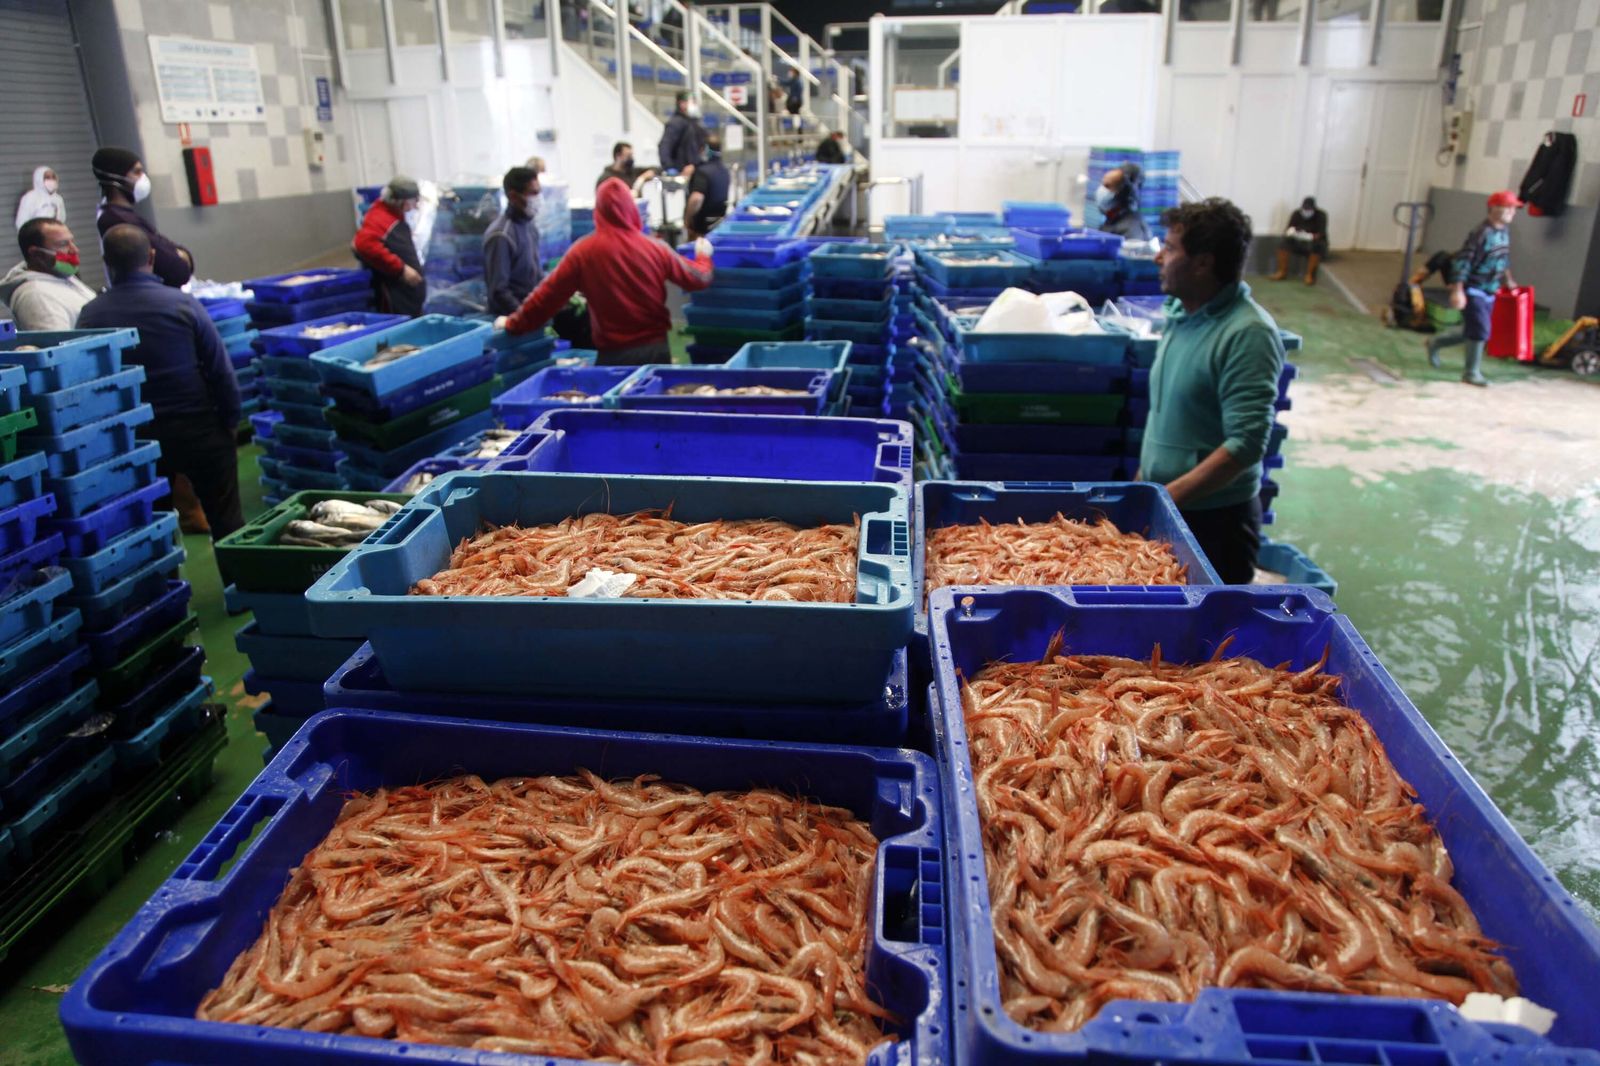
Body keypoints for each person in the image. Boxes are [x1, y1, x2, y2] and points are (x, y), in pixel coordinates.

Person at [1139, 198, 1286, 584]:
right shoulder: (1179, 316)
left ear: (1203, 262)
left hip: (1215, 525)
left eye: (1170, 249)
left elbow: (1246, 444)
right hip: (1169, 508)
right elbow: (1165, 418)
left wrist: (1163, 499)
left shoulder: (1247, 333)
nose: (1159, 258)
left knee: (1207, 640)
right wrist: (1144, 489)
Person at [77, 225, 242, 539]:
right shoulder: (182, 304)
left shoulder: (91, 316)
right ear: (151, 257)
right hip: (199, 429)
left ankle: (167, 584)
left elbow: (87, 388)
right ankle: (237, 585)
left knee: (152, 530)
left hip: (135, 442)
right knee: (227, 523)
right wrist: (230, 424)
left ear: (106, 261)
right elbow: (220, 369)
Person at [495, 178, 713, 366]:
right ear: (631, 209)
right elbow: (698, 278)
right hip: (656, 352)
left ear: (598, 211)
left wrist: (514, 323)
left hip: (613, 356)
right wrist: (703, 256)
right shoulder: (655, 249)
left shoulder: (583, 253)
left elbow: (545, 299)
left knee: (615, 413)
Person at [1425, 190, 1521, 388]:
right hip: (1473, 287)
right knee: (1480, 329)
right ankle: (1471, 373)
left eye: (1514, 208)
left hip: (1490, 288)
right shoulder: (1481, 233)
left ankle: (1436, 342)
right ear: (1494, 209)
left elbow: (1502, 259)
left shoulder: (1503, 232)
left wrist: (1508, 280)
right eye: (1508, 207)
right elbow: (1464, 260)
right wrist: (1458, 290)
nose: (1513, 212)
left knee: (1473, 329)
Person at [91, 146, 193, 288]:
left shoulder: (126, 215)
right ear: (115, 178)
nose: (143, 178)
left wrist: (180, 255)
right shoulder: (118, 221)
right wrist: (179, 256)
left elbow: (165, 247)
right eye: (137, 172)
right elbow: (176, 270)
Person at [1, 219, 96, 330]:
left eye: (72, 242)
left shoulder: (62, 277)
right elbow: (58, 342)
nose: (74, 250)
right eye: (63, 244)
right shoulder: (35, 295)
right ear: (36, 254)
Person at [352, 175, 426, 317]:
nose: (416, 205)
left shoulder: (393, 214)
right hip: (395, 293)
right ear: (400, 201)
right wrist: (401, 269)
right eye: (414, 200)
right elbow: (363, 244)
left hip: (408, 293)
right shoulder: (381, 217)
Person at [483, 166, 543, 318]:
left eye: (539, 192)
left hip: (530, 310)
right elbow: (499, 291)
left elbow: (536, 274)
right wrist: (524, 316)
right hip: (510, 319)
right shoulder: (501, 235)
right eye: (533, 193)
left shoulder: (529, 226)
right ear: (513, 196)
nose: (538, 198)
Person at [1270, 197, 1328, 285]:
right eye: (1305, 209)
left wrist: (1308, 236)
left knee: (1317, 246)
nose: (1306, 211)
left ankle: (1309, 275)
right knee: (1283, 243)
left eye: (1308, 209)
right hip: (1298, 240)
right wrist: (1293, 233)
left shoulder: (1321, 215)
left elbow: (1321, 234)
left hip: (1314, 242)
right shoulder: (1296, 214)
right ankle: (1281, 272)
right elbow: (1289, 229)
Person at [684, 136, 731, 241]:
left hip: (702, 232)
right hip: (718, 226)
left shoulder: (702, 172)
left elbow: (696, 199)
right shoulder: (724, 171)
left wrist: (687, 219)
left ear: (705, 150)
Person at [1096, 163, 1150, 241]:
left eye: (1107, 186)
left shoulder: (1130, 228)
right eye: (1102, 184)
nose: (1101, 190)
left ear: (1122, 193)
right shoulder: (1112, 221)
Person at [658, 92, 705, 177]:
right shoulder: (676, 123)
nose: (695, 106)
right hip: (681, 172)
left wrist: (696, 164)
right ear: (682, 104)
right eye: (692, 102)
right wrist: (669, 167)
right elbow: (665, 145)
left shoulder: (694, 123)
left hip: (694, 170)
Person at [15, 166, 66, 230]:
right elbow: (21, 222)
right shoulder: (29, 197)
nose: (51, 180)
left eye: (53, 177)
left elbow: (61, 219)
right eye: (47, 177)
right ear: (39, 179)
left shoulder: (58, 199)